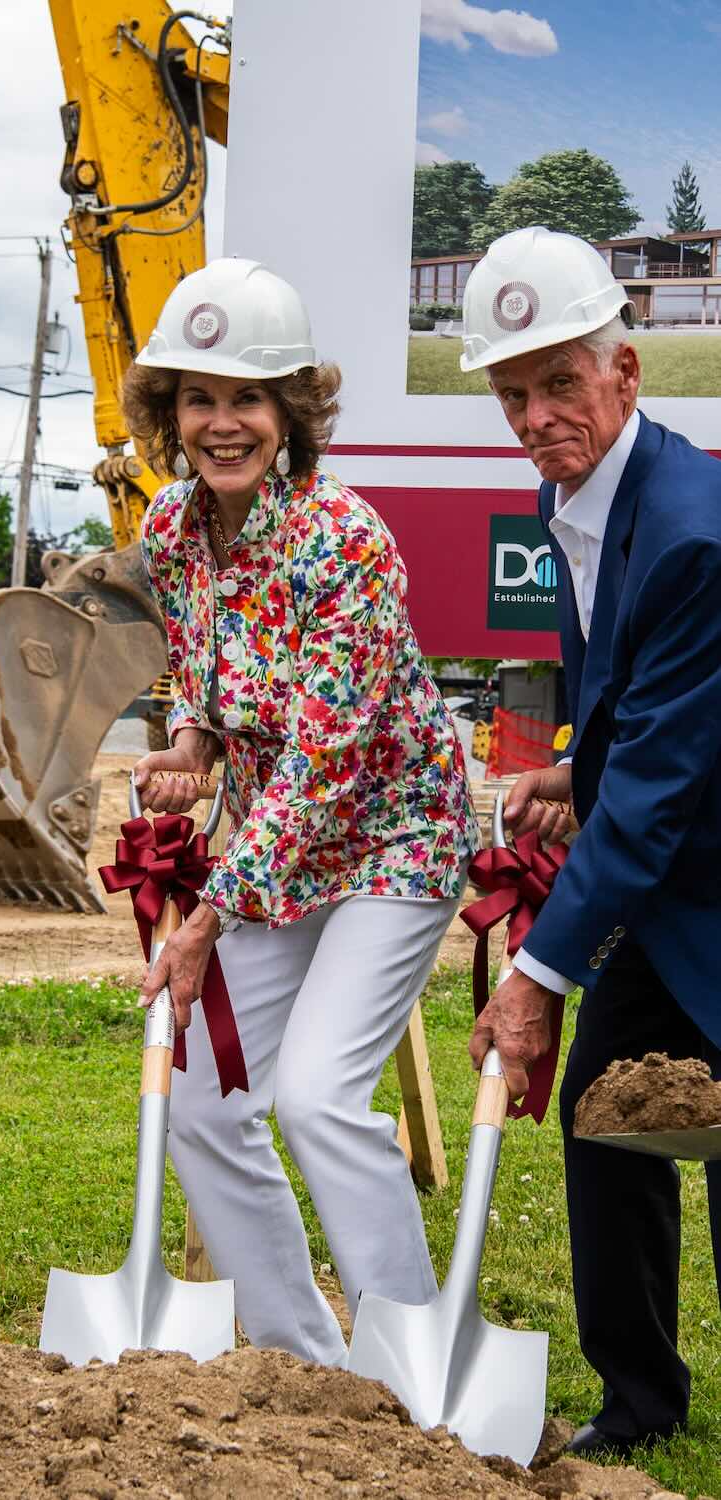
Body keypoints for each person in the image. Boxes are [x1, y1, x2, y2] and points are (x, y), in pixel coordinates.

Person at [126, 258, 478, 1365]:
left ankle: (413, 1362)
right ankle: (306, 1367)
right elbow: (203, 667)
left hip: (391, 838)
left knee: (320, 1099)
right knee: (200, 1103)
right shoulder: (174, 525)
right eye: (199, 397)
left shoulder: (346, 540)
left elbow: (324, 761)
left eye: (248, 398)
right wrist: (190, 742)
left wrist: (204, 918)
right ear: (169, 412)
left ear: (291, 410)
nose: (222, 423)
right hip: (279, 856)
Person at [463, 226, 721, 1457]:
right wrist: (575, 769)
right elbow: (644, 724)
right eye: (514, 392)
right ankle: (639, 1402)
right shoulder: (583, 500)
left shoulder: (688, 531)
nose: (536, 414)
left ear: (626, 369)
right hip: (666, 877)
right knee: (608, 1114)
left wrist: (531, 975)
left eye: (560, 381)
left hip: (706, 878)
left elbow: (665, 783)